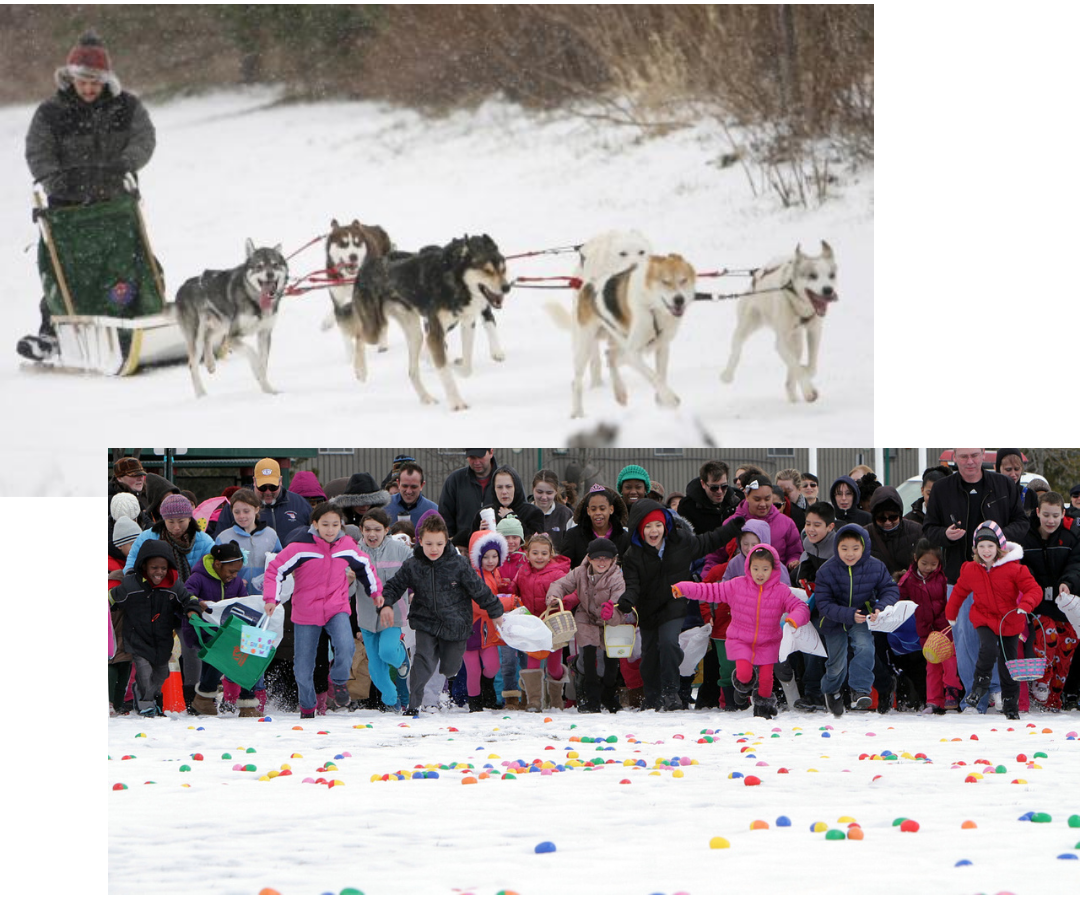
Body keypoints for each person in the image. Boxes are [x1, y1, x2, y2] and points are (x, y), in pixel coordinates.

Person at [20, 31, 157, 361]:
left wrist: (125, 163)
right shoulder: (50, 112)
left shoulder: (127, 106)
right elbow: (38, 151)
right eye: (83, 82)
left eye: (95, 82)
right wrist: (54, 181)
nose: (89, 89)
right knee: (64, 272)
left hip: (114, 204)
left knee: (127, 263)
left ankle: (139, 319)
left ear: (106, 81)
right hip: (68, 209)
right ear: (70, 78)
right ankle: (50, 334)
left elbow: (144, 139)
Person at [923, 447, 1029, 712]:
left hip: (1000, 577)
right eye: (963, 456)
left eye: (974, 455)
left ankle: (998, 691)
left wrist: (997, 538)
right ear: (954, 458)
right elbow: (929, 529)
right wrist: (945, 535)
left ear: (983, 455)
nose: (969, 461)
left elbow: (1022, 523)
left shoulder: (1004, 484)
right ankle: (974, 697)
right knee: (966, 641)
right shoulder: (942, 489)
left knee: (999, 638)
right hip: (962, 575)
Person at [616, 498, 745, 711]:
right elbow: (632, 585)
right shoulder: (632, 555)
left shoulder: (681, 542)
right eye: (648, 526)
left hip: (674, 604)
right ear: (640, 529)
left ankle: (670, 691)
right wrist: (627, 600)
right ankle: (652, 695)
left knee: (668, 643)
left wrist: (731, 528)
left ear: (665, 525)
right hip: (647, 608)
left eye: (658, 525)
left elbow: (709, 541)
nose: (653, 531)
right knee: (649, 653)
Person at [378, 513, 506, 717]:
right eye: (429, 544)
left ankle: (447, 670)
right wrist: (385, 604)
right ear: (420, 541)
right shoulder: (414, 564)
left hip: (455, 624)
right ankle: (414, 704)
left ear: (446, 541)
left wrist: (496, 611)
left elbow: (479, 589)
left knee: (450, 667)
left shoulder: (459, 564)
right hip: (425, 622)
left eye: (439, 543)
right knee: (423, 661)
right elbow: (394, 585)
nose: (434, 549)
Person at [263, 502, 382, 718]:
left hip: (336, 607)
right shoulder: (301, 547)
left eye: (335, 525)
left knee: (346, 647)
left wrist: (375, 593)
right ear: (315, 524)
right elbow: (275, 569)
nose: (330, 529)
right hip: (306, 612)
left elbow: (365, 566)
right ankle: (307, 707)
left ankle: (338, 681)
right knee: (303, 666)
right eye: (325, 524)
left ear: (341, 525)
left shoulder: (346, 545)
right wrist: (272, 598)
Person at [674, 543, 810, 719]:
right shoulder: (737, 585)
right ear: (748, 567)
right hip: (740, 639)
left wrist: (794, 618)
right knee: (744, 675)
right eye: (756, 568)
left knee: (767, 680)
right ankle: (742, 685)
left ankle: (763, 708)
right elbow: (708, 590)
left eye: (765, 569)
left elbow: (800, 607)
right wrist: (683, 588)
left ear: (773, 569)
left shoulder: (781, 591)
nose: (760, 574)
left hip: (768, 641)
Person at [945, 521, 1040, 720]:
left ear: (999, 547)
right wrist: (951, 614)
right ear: (975, 549)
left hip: (1009, 621)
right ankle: (978, 688)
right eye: (981, 546)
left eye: (990, 546)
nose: (986, 551)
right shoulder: (971, 569)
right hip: (984, 618)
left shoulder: (1014, 569)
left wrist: (1027, 604)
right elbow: (960, 592)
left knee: (1009, 664)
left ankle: (1010, 704)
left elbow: (1034, 589)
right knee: (988, 648)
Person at [812, 523, 900, 716]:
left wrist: (880, 607)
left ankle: (860, 690)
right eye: (844, 548)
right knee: (837, 664)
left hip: (861, 617)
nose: (849, 554)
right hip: (833, 620)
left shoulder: (875, 566)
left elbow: (890, 589)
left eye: (855, 548)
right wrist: (847, 614)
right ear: (837, 548)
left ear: (864, 547)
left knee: (865, 647)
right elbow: (824, 604)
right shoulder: (826, 571)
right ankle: (831, 691)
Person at [108, 539, 202, 716]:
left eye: (163, 568)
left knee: (161, 675)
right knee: (144, 673)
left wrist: (192, 611)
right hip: (137, 637)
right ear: (144, 566)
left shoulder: (173, 585)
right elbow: (112, 599)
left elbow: (188, 599)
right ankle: (146, 705)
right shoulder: (130, 585)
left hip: (162, 639)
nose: (159, 572)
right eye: (154, 568)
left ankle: (145, 695)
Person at [545, 537, 628, 713]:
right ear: (589, 558)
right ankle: (591, 697)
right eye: (598, 558)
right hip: (586, 617)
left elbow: (619, 603)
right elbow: (561, 584)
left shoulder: (617, 577)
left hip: (609, 621)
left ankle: (609, 693)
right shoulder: (580, 572)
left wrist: (611, 612)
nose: (602, 561)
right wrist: (554, 596)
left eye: (606, 558)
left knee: (610, 662)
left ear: (613, 559)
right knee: (589, 658)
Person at [1018, 492, 1080, 710]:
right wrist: (1034, 588)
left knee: (1068, 644)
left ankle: (1054, 698)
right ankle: (1041, 682)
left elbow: (1076, 564)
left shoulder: (1071, 536)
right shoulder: (1026, 536)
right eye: (1046, 515)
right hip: (1038, 602)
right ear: (1037, 512)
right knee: (1048, 634)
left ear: (1063, 513)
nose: (1051, 520)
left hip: (1064, 601)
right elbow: (1023, 567)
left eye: (1055, 515)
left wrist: (1068, 584)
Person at [184, 542, 261, 717]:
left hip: (227, 632)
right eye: (231, 571)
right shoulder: (198, 577)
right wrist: (196, 604)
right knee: (222, 651)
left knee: (252, 647)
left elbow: (245, 602)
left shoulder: (236, 583)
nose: (234, 576)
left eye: (237, 572)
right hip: (202, 630)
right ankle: (204, 696)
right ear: (218, 564)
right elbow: (186, 594)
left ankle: (247, 700)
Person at [352, 509, 412, 713]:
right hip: (367, 619)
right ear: (361, 530)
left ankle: (402, 657)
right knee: (376, 670)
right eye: (367, 529)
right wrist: (349, 579)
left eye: (377, 529)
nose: (372, 534)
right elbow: (349, 591)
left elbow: (417, 570)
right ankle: (392, 702)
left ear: (386, 530)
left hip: (393, 614)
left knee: (387, 651)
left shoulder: (399, 550)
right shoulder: (354, 553)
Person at [509, 534, 572, 710]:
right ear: (527, 554)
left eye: (544, 553)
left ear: (550, 554)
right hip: (533, 625)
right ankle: (534, 700)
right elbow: (515, 589)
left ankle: (556, 698)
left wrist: (559, 600)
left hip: (552, 625)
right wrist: (509, 591)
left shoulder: (558, 573)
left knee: (553, 666)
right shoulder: (523, 571)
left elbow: (570, 593)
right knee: (533, 660)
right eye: (535, 553)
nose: (539, 557)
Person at [898, 540, 959, 714]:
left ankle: (952, 691)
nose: (928, 567)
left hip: (945, 627)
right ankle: (933, 700)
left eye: (933, 564)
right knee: (932, 664)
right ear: (916, 558)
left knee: (949, 659)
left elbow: (950, 599)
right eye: (924, 563)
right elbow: (899, 600)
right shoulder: (908, 579)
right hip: (926, 630)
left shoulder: (943, 577)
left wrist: (946, 619)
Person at [465, 526, 515, 711]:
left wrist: (504, 588)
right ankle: (475, 701)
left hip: (489, 630)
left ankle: (486, 687)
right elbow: (480, 605)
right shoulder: (472, 576)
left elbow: (495, 593)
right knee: (473, 669)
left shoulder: (495, 572)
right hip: (470, 629)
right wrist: (509, 602)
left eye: (494, 556)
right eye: (485, 557)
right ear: (476, 556)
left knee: (493, 666)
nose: (490, 561)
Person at [214, 458, 313, 541]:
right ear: (254, 482)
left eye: (273, 487)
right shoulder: (235, 506)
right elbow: (221, 539)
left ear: (281, 481)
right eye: (262, 487)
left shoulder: (300, 504)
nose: (268, 492)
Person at [213, 488, 282, 589]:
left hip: (264, 597)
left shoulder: (271, 535)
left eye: (246, 511)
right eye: (237, 512)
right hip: (235, 596)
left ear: (256, 509)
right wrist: (233, 582)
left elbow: (280, 564)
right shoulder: (224, 537)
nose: (241, 516)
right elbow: (216, 568)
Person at [460, 464, 543, 545]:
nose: (504, 492)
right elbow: (472, 548)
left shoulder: (533, 513)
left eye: (508, 487)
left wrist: (512, 518)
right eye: (499, 487)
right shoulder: (484, 513)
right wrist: (480, 535)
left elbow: (535, 544)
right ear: (494, 489)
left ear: (516, 487)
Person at [562, 484, 631, 569]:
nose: (598, 513)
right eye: (593, 509)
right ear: (588, 511)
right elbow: (563, 566)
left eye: (602, 509)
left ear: (611, 509)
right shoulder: (573, 535)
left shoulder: (623, 537)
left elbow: (629, 568)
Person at [438, 449, 499, 541]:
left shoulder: (506, 479)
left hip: (499, 548)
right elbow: (445, 518)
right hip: (463, 549)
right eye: (472, 457)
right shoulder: (455, 481)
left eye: (480, 457)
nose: (476, 462)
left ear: (491, 452)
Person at [677, 460, 743, 536]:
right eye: (714, 488)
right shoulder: (687, 507)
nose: (720, 491)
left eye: (724, 486)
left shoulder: (738, 500)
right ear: (703, 484)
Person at [531, 469, 575, 551]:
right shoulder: (524, 512)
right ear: (533, 489)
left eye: (549, 493)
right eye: (539, 492)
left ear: (556, 492)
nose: (544, 497)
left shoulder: (566, 514)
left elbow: (572, 546)